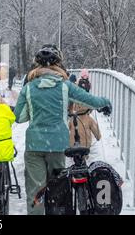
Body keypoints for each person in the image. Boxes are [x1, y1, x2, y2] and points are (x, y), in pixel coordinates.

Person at [13, 44, 112, 215]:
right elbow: (90, 100)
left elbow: (19, 117)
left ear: (37, 65)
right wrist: (105, 103)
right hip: (56, 145)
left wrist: (34, 110)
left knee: (36, 194)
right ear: (58, 64)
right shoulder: (65, 86)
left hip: (34, 145)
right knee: (57, 191)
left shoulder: (28, 87)